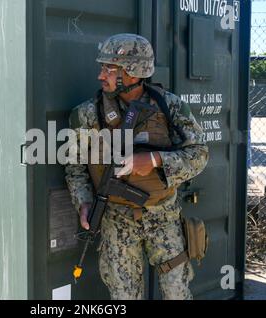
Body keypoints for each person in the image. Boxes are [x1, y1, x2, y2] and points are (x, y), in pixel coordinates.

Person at [65, 33, 209, 300]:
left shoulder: (169, 107)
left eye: (109, 68)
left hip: (164, 218)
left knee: (177, 293)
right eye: (102, 68)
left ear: (132, 72)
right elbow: (75, 167)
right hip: (116, 220)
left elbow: (199, 154)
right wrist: (84, 202)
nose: (100, 75)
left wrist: (155, 161)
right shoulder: (86, 114)